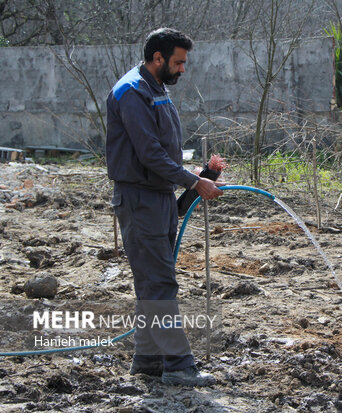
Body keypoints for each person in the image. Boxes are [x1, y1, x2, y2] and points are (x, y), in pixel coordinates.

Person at [106, 28, 223, 386]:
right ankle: (178, 364)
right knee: (159, 284)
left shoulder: (156, 90)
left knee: (151, 284)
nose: (183, 69)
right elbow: (149, 153)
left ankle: (148, 359)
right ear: (158, 58)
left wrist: (201, 175)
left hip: (156, 198)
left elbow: (162, 152)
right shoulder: (131, 92)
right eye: (178, 62)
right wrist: (192, 182)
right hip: (140, 200)